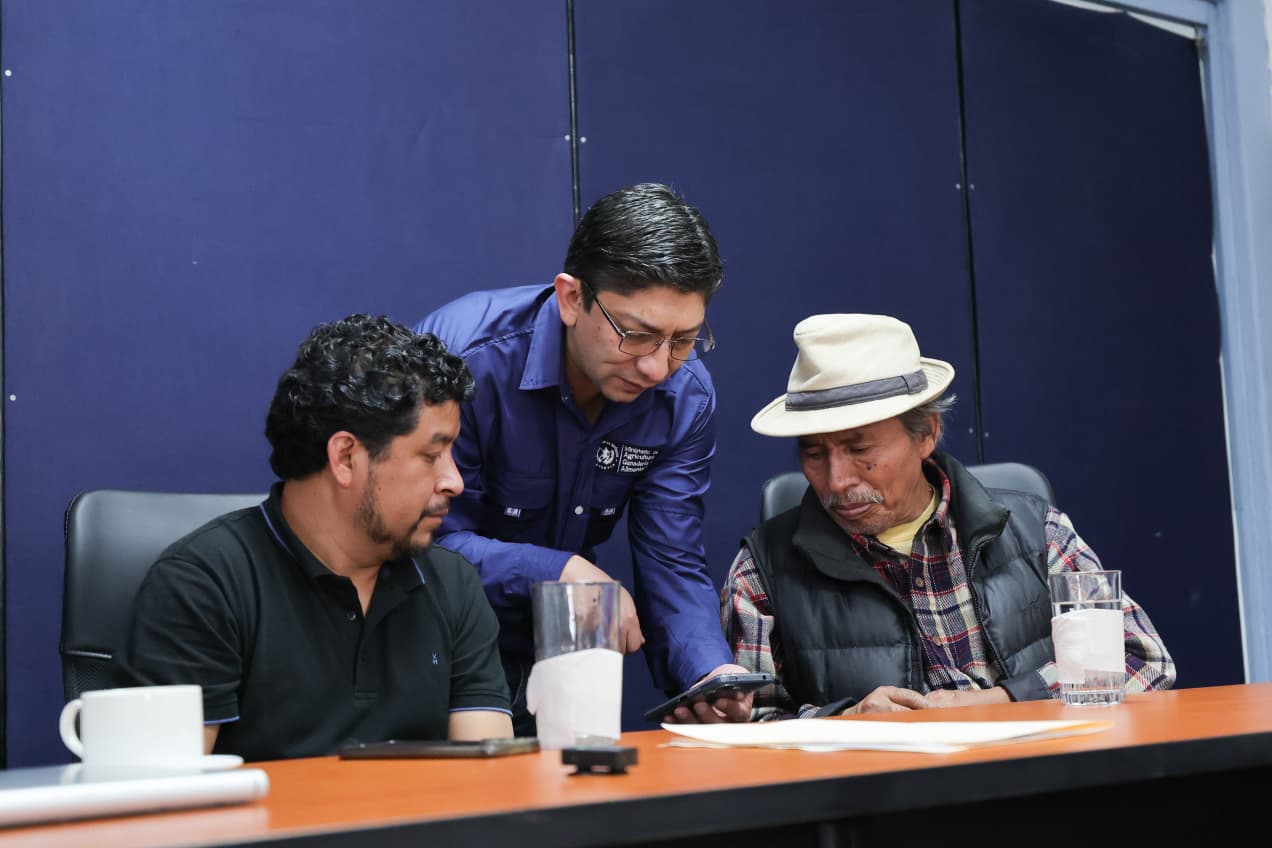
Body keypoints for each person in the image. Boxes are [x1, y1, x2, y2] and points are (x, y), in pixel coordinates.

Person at [719, 313, 1175, 719]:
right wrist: (846, 721)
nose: (837, 480)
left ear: (926, 435)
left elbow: (1142, 662)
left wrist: (1007, 699)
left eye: (860, 449)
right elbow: (748, 730)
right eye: (814, 454)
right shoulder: (762, 572)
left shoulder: (1037, 531)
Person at [415, 183, 749, 731]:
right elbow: (418, 545)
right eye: (636, 335)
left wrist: (708, 672)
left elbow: (672, 558)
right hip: (431, 651)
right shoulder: (464, 359)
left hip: (561, 656)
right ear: (571, 298)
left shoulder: (684, 394)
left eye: (684, 339)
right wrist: (556, 570)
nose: (657, 367)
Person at [116, 315, 513, 759]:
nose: (454, 481)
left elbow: (487, 780)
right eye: (432, 454)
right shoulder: (204, 586)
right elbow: (167, 792)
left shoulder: (453, 585)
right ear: (345, 457)